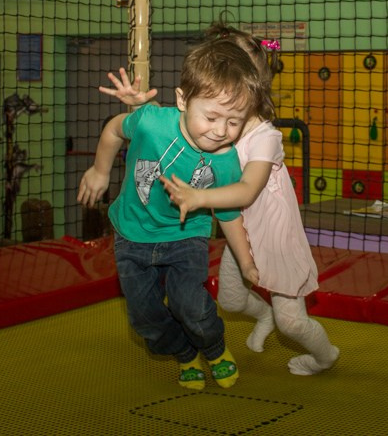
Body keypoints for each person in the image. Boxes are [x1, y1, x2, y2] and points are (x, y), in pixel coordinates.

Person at [101, 23, 339, 377]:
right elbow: (181, 125)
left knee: (291, 321)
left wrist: (199, 197)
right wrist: (145, 107)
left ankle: (325, 356)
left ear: (251, 83)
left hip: (274, 236)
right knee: (230, 299)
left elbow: (246, 190)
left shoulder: (264, 137)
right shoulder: (219, 123)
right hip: (239, 230)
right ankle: (265, 316)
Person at [77, 38, 265, 391]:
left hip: (186, 235)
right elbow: (115, 128)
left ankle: (213, 347)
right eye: (211, 117)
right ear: (182, 101)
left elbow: (228, 214)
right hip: (132, 233)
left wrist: (246, 262)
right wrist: (100, 171)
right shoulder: (152, 122)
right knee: (143, 318)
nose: (221, 131)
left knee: (190, 305)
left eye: (234, 122)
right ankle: (183, 351)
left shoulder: (225, 160)